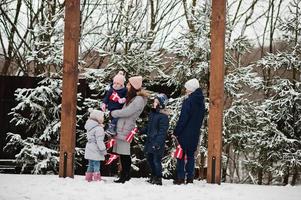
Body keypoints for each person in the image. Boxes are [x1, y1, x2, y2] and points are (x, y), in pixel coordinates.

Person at [110, 75, 148, 183]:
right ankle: (124, 175)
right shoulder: (133, 98)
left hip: (126, 127)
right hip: (123, 126)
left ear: (133, 86)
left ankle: (125, 175)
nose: (127, 86)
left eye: (128, 84)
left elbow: (127, 112)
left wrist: (114, 113)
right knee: (122, 153)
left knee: (125, 153)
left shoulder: (138, 99)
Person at [173, 78, 205, 185]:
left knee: (181, 155)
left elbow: (183, 118)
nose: (186, 91)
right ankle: (190, 178)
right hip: (195, 133)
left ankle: (180, 178)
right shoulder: (201, 102)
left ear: (191, 89)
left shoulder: (188, 101)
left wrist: (176, 131)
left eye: (187, 89)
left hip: (185, 133)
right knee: (191, 155)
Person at [143, 93, 169, 185]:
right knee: (150, 159)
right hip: (150, 141)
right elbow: (149, 126)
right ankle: (153, 175)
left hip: (157, 142)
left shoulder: (163, 117)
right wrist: (142, 130)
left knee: (156, 160)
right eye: (154, 101)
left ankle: (158, 177)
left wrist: (158, 143)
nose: (154, 103)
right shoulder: (153, 114)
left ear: (161, 104)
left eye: (156, 102)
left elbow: (162, 131)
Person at [84, 108, 107, 182]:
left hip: (89, 147)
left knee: (90, 163)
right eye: (102, 117)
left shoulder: (89, 126)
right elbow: (99, 141)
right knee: (96, 163)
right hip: (96, 148)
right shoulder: (98, 128)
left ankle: (88, 178)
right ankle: (97, 178)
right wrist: (103, 150)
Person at [102, 71, 127, 136]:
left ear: (121, 84)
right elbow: (106, 97)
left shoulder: (124, 90)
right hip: (112, 107)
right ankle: (111, 128)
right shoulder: (111, 90)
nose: (115, 85)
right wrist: (104, 103)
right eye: (114, 83)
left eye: (118, 83)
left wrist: (123, 99)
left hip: (119, 108)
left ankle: (112, 129)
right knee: (114, 118)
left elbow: (127, 96)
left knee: (117, 118)